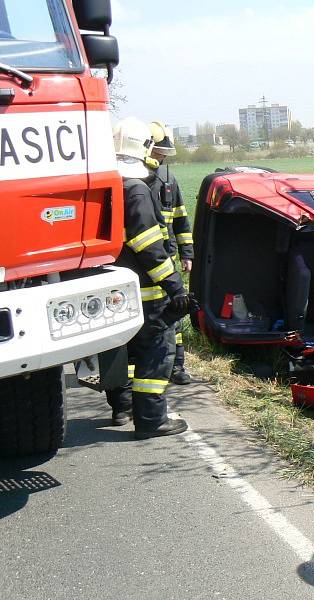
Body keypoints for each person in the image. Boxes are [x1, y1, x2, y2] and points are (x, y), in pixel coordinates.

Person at [106, 117, 190, 439]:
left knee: (120, 350)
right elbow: (148, 246)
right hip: (146, 290)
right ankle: (152, 420)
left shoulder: (107, 184)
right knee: (157, 350)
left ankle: (122, 406)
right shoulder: (137, 189)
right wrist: (175, 286)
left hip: (110, 288)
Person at [148, 121, 194, 385]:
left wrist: (186, 253)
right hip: (142, 265)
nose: (162, 157)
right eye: (159, 152)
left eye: (163, 153)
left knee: (174, 315)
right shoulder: (131, 180)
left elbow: (180, 219)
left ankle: (177, 367)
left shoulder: (167, 179)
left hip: (168, 260)